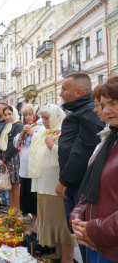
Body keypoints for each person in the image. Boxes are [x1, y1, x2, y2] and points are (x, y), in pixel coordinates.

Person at [56, 73, 104, 262]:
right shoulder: (81, 111)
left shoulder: (88, 112)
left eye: (64, 89)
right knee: (78, 233)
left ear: (78, 92)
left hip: (79, 185)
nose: (60, 93)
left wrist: (64, 180)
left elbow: (83, 151)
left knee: (83, 235)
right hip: (76, 183)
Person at [70, 77, 118, 263]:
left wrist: (92, 230)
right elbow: (92, 186)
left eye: (113, 103)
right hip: (97, 244)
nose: (105, 111)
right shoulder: (110, 140)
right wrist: (76, 219)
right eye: (103, 105)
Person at [29, 104, 77, 263]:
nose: (44, 121)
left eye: (47, 118)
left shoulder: (65, 132)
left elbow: (68, 159)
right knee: (50, 222)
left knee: (61, 225)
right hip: (42, 186)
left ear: (56, 117)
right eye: (42, 118)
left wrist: (52, 146)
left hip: (56, 187)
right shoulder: (42, 133)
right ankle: (57, 253)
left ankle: (68, 258)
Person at [13, 104, 44, 233]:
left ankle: (37, 229)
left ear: (35, 114)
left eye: (30, 114)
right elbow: (16, 144)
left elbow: (42, 143)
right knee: (28, 202)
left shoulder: (40, 127)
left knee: (35, 201)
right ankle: (33, 227)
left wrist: (32, 133)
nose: (28, 117)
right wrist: (22, 133)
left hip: (35, 171)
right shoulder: (24, 128)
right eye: (25, 115)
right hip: (24, 170)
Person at [0, 105, 23, 211]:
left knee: (15, 184)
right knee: (9, 184)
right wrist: (1, 158)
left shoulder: (17, 125)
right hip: (7, 158)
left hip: (13, 158)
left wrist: (4, 159)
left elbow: (14, 145)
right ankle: (12, 209)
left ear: (14, 113)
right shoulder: (8, 125)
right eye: (5, 115)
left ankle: (16, 210)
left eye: (9, 114)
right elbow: (2, 143)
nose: (7, 117)